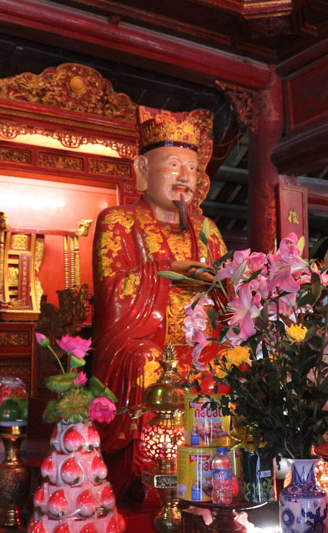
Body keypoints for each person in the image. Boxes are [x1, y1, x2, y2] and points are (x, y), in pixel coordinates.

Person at [92, 107, 227, 497]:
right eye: (173, 165)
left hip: (200, 342)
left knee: (230, 361)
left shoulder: (207, 229)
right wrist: (166, 270)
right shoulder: (118, 221)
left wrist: (215, 283)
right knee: (147, 361)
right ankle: (155, 473)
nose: (185, 176)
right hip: (141, 341)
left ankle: (215, 470)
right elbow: (112, 293)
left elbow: (230, 294)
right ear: (141, 169)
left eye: (192, 168)